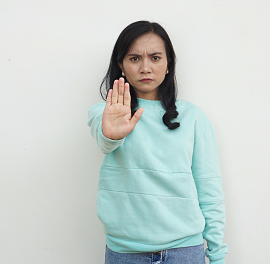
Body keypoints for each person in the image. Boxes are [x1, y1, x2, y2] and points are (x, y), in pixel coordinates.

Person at [87, 21, 227, 264]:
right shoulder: (105, 113)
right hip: (124, 253)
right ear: (120, 64)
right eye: (134, 58)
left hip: (184, 252)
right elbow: (105, 140)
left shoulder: (193, 118)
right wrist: (112, 134)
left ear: (168, 64)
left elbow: (209, 190)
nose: (145, 68)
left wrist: (216, 255)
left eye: (154, 58)